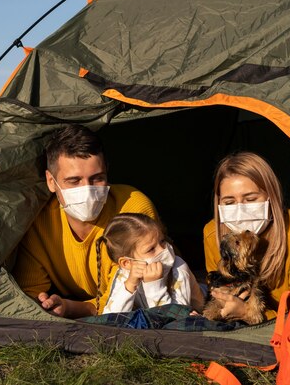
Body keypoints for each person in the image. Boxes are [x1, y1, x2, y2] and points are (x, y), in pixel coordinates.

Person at [11, 124, 158, 318]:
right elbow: (31, 291)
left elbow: (132, 294)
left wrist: (72, 308)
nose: (87, 190)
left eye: (97, 178)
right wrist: (47, 304)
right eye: (74, 181)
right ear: (50, 181)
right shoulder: (38, 221)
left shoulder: (134, 209)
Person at [203, 151, 290, 321]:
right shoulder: (213, 233)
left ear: (271, 196)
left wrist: (248, 314)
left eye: (250, 199)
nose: (240, 209)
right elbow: (218, 291)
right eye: (229, 202)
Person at [97, 213, 204, 314]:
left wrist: (154, 285)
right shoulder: (124, 275)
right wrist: (130, 285)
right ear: (126, 263)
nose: (163, 249)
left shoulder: (178, 268)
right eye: (151, 249)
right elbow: (112, 318)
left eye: (162, 241)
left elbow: (174, 320)